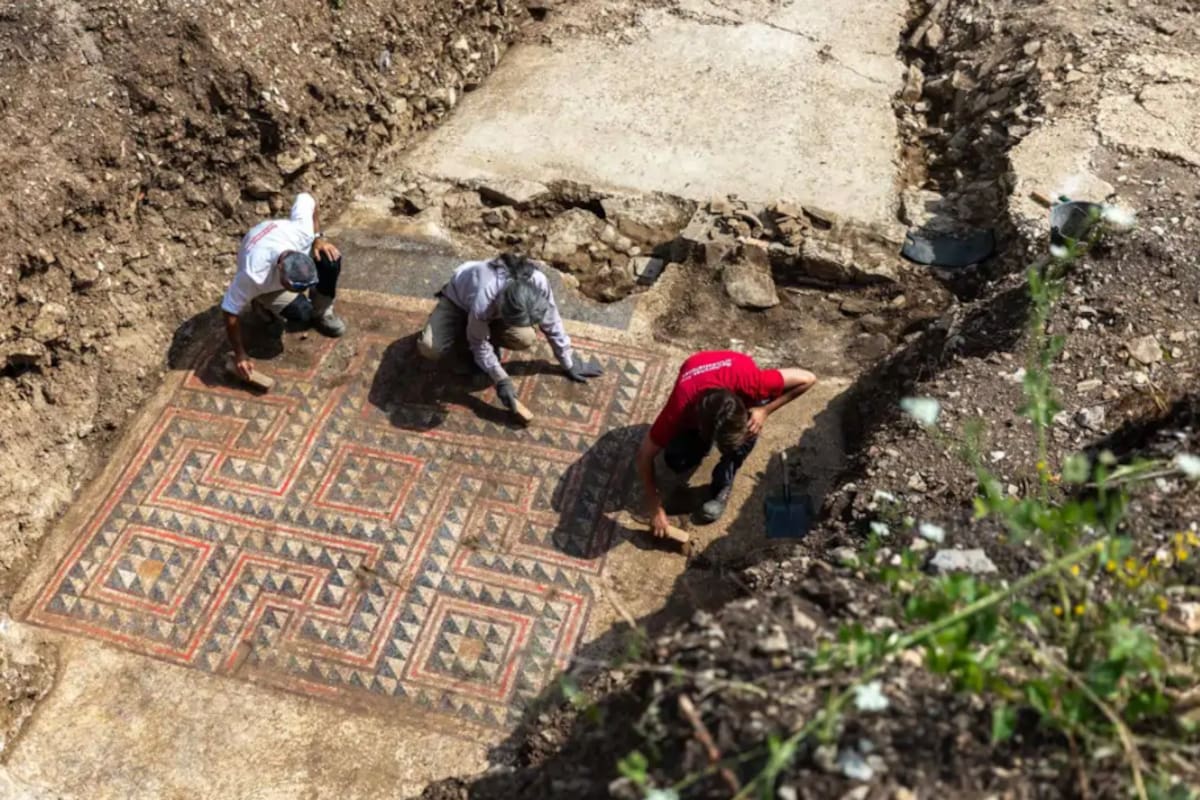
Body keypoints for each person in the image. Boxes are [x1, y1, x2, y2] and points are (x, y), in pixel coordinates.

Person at [636, 351, 816, 535]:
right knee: (677, 459)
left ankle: (723, 484)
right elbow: (644, 455)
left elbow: (808, 378)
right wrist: (655, 508)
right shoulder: (678, 411)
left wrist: (764, 410)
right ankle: (700, 446)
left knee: (750, 432)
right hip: (696, 376)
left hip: (734, 371)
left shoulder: (752, 383)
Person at [417, 253, 603, 414]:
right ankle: (459, 333)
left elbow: (552, 320)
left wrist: (567, 361)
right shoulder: (485, 297)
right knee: (430, 347)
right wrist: (501, 379)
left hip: (490, 313)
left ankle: (481, 332)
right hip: (458, 300)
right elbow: (478, 344)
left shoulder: (538, 281)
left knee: (525, 338)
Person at [220, 192, 346, 381]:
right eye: (294, 287)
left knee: (330, 260)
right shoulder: (254, 276)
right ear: (280, 271)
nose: (301, 290)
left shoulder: (302, 234)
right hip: (262, 272)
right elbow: (229, 310)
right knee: (301, 312)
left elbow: (307, 197)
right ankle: (261, 304)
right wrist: (240, 354)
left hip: (283, 241)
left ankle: (322, 312)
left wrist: (318, 238)